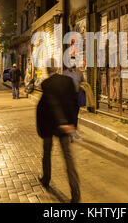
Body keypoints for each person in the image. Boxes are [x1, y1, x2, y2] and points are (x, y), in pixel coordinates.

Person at [36, 59, 80, 203]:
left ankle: (46, 178)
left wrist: (42, 129)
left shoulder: (46, 84)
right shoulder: (68, 81)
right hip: (65, 126)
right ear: (57, 68)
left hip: (50, 126)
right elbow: (76, 104)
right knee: (68, 159)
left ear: (48, 70)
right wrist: (73, 124)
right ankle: (76, 194)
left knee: (47, 153)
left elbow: (45, 107)